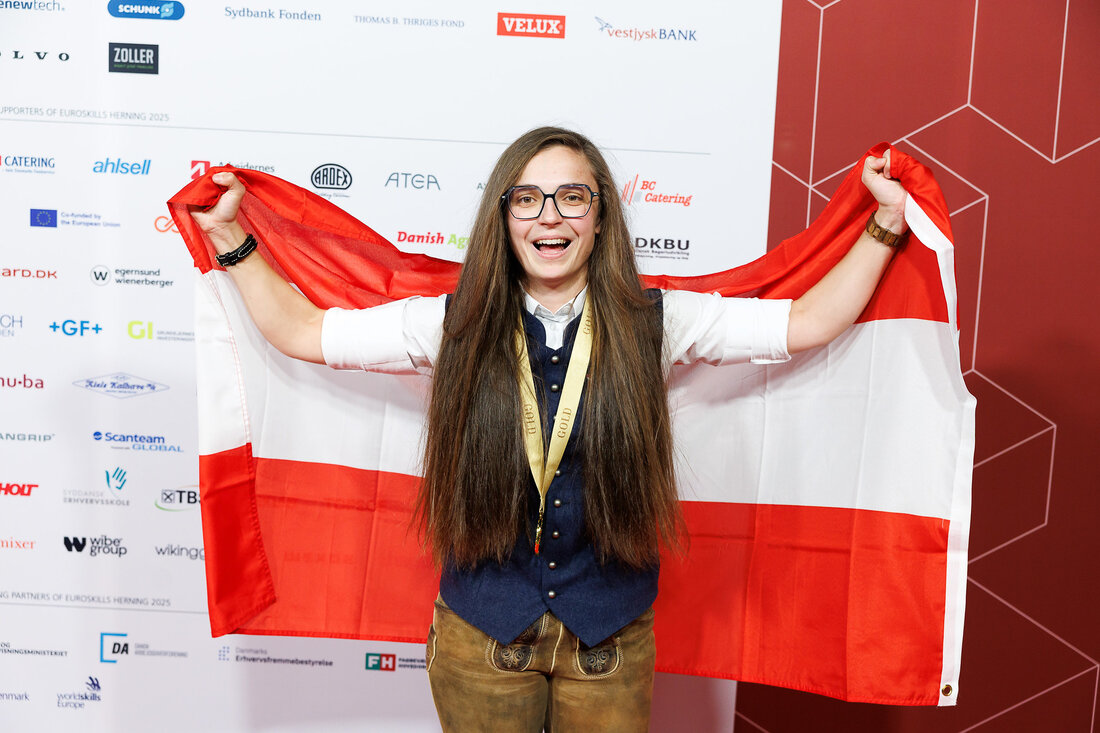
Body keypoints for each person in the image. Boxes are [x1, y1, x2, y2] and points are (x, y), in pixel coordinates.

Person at [190, 126, 907, 732]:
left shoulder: (659, 321)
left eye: (572, 197)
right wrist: (229, 234)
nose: (549, 218)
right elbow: (302, 330)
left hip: (609, 641)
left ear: (600, 216)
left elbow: (809, 320)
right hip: (482, 634)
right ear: (504, 216)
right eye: (528, 199)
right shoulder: (450, 323)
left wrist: (884, 225)